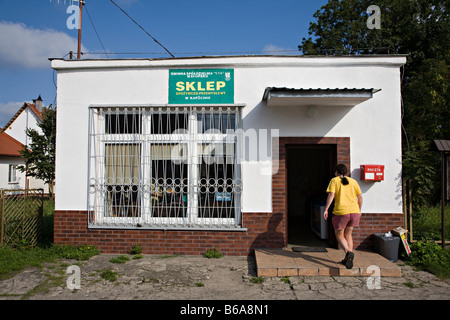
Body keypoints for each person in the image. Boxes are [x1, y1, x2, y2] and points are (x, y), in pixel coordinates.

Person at [324, 164, 363, 269]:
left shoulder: (335, 180)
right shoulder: (353, 181)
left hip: (342, 212)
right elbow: (360, 197)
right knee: (348, 235)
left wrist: (326, 209)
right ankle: (348, 259)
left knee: (339, 235)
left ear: (336, 172)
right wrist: (359, 209)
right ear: (346, 172)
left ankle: (348, 253)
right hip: (354, 211)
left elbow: (331, 195)